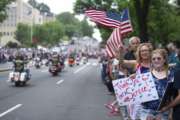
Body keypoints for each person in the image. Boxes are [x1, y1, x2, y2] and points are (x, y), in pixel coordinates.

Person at [140, 49, 174, 120]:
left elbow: (172, 96)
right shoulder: (145, 74)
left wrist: (171, 112)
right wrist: (133, 79)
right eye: (154, 59)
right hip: (146, 110)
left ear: (164, 60)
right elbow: (138, 93)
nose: (156, 60)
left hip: (163, 111)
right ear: (151, 61)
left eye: (159, 58)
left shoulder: (171, 75)